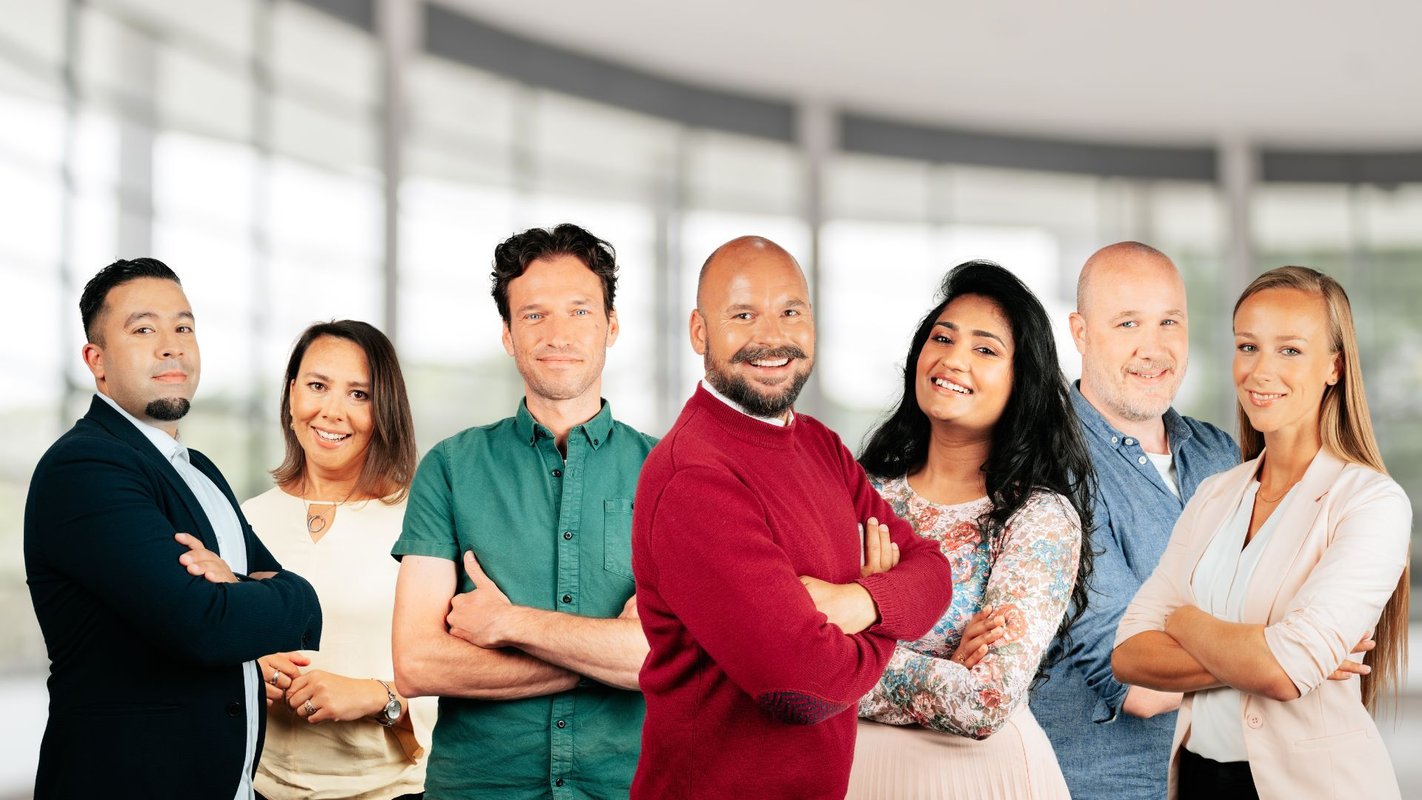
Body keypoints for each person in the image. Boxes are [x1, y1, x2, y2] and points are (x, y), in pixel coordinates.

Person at [630, 236, 954, 799]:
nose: (772, 336)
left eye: (790, 312)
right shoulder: (694, 476)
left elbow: (934, 571)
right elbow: (801, 689)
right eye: (743, 314)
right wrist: (889, 618)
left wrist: (857, 602)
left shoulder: (820, 447)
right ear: (699, 332)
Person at [24, 258, 322, 799]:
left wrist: (240, 586)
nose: (171, 345)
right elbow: (207, 626)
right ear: (97, 361)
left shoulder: (199, 469)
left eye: (183, 327)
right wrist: (282, 595)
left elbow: (282, 596)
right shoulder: (86, 467)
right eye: (143, 329)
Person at [1113, 266, 1410, 799]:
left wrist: (1182, 621)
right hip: (1200, 779)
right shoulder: (1216, 493)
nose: (1260, 371)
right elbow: (1131, 654)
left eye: (1290, 350)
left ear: (1334, 367)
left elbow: (1280, 672)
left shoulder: (1371, 502)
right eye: (1248, 346)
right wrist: (1268, 652)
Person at [391, 224, 655, 799]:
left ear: (611, 326)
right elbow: (417, 663)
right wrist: (609, 651)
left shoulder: (671, 474)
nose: (557, 333)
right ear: (508, 335)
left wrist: (509, 625)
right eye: (533, 315)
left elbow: (669, 657)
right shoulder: (451, 468)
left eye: (579, 311)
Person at [847, 261, 1095, 799]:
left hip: (978, 779)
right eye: (942, 337)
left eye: (985, 349)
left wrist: (851, 646)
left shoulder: (1039, 519)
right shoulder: (859, 493)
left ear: (1020, 380)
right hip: (849, 774)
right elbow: (775, 648)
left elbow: (984, 701)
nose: (953, 359)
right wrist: (941, 666)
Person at [1031, 242, 1239, 799]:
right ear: (1079, 333)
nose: (1155, 348)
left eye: (1169, 321)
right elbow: (1139, 682)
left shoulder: (1221, 455)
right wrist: (1297, 652)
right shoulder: (1046, 468)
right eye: (1128, 323)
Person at [245, 321, 436, 800]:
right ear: (291, 395)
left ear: (385, 409)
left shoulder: (425, 523)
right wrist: (245, 669)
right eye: (316, 386)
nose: (332, 412)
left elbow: (465, 674)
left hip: (391, 792)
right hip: (259, 788)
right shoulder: (245, 519)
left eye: (359, 394)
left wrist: (378, 696)